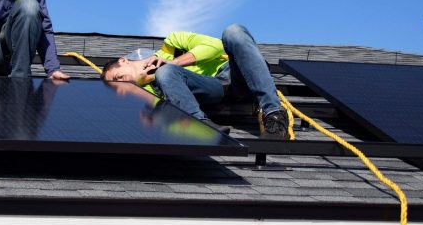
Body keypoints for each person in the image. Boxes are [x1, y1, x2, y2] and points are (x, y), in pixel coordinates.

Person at [101, 24, 290, 139]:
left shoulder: (173, 43)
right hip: (214, 90)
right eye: (117, 85)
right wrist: (149, 78)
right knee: (166, 73)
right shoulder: (145, 93)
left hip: (237, 74)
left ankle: (274, 115)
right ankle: (201, 125)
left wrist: (173, 62)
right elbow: (161, 115)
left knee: (234, 31)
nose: (121, 83)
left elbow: (216, 46)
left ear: (123, 60)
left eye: (118, 77)